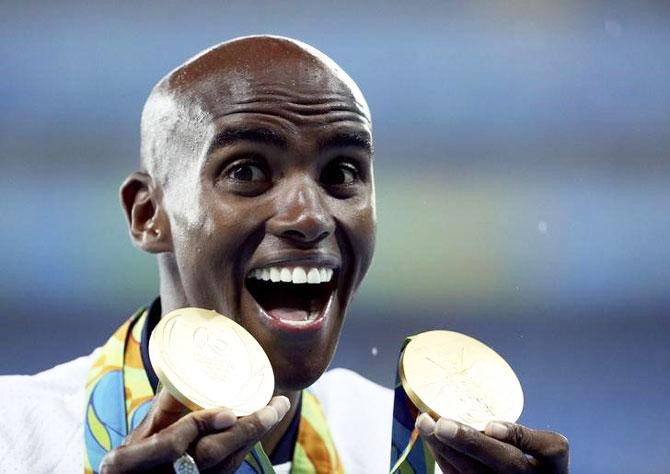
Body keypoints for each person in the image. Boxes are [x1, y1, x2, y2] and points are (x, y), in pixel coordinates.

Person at [0, 35, 569, 473]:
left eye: (342, 173)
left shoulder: (402, 447)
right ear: (148, 214)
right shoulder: (13, 434)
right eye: (246, 171)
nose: (310, 216)